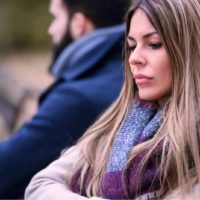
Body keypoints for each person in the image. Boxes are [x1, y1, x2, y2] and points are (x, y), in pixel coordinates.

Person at [25, 0, 200, 199]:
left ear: (190, 50)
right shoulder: (120, 122)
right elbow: (41, 184)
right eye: (132, 46)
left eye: (153, 44)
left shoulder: (193, 139)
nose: (134, 58)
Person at [0, 0, 130, 198]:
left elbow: (6, 171)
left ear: (79, 24)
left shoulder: (78, 98)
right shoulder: (124, 72)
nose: (51, 30)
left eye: (56, 17)